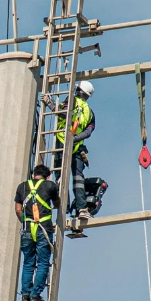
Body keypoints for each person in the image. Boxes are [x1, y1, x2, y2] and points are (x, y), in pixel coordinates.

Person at [45, 80, 95, 219]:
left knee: (60, 176)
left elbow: (64, 113)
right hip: (77, 147)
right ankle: (82, 209)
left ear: (78, 90)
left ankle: (63, 206)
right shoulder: (90, 112)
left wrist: (50, 103)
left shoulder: (72, 100)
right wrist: (75, 139)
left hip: (62, 142)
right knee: (78, 179)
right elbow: (88, 132)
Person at [15, 164, 60, 301]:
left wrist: (25, 221)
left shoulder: (22, 187)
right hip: (43, 228)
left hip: (27, 229)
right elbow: (57, 203)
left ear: (33, 175)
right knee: (42, 263)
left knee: (28, 263)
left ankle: (25, 295)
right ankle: (35, 295)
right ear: (47, 176)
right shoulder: (50, 185)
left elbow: (18, 209)